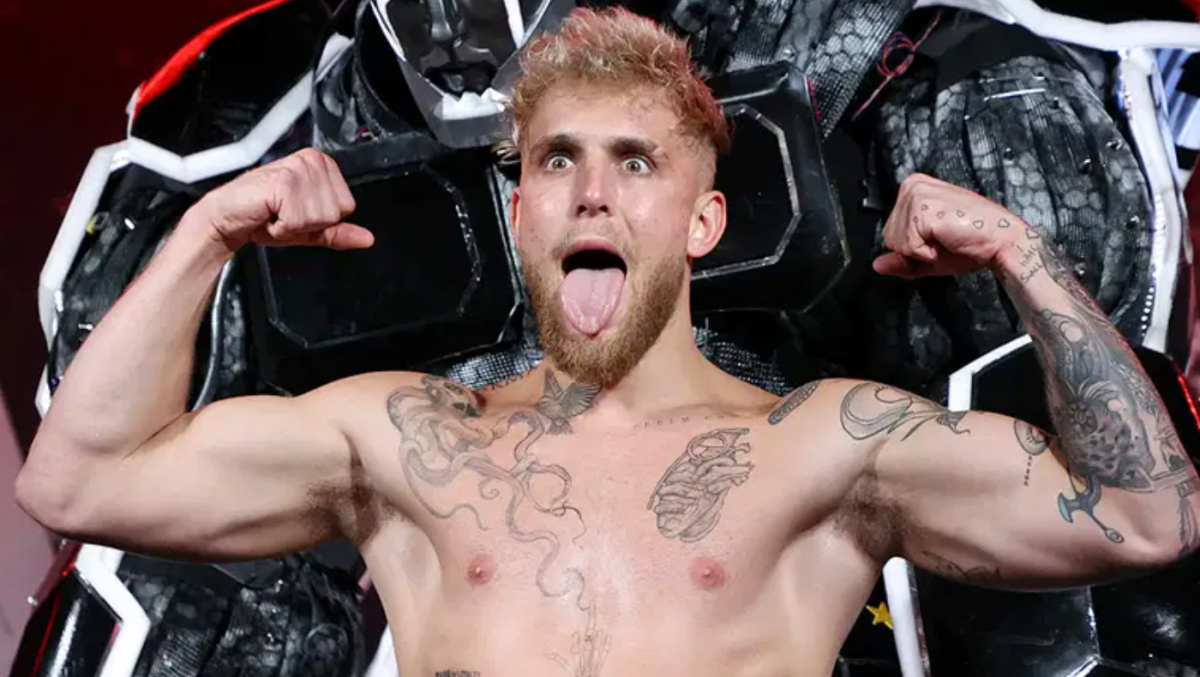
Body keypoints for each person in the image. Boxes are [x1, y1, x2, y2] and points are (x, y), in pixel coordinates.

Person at [16, 7, 1200, 676]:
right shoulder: (409, 442)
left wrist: (1020, 251)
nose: (593, 193)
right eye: (557, 161)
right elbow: (78, 477)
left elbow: (1148, 518)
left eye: (636, 162)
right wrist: (211, 229)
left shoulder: (825, 449)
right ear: (519, 211)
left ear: (704, 219)